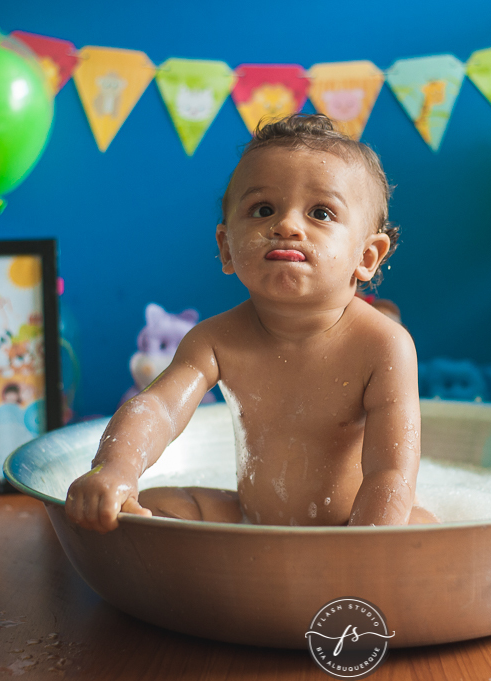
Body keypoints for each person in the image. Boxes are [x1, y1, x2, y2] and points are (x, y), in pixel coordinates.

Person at [65, 114, 435, 532]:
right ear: (226, 247)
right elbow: (159, 408)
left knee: (418, 527)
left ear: (366, 257)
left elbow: (391, 473)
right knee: (155, 504)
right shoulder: (215, 340)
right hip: (252, 519)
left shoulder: (382, 345)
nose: (286, 225)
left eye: (320, 212)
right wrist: (115, 469)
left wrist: (364, 547)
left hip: (352, 524)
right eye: (263, 210)